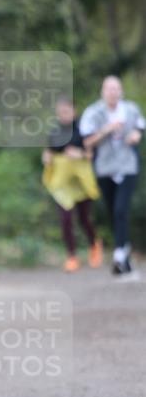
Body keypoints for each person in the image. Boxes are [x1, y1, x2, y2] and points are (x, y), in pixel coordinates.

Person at [79, 76, 145, 274]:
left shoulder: (131, 110)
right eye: (109, 89)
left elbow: (140, 127)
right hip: (105, 168)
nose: (113, 92)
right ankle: (124, 251)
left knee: (120, 210)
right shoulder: (93, 113)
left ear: (121, 91)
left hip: (127, 166)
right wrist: (107, 130)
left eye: (116, 89)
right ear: (103, 91)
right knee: (112, 211)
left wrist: (136, 135)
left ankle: (118, 254)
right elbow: (87, 142)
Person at [41, 97, 102, 272]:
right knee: (66, 219)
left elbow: (92, 155)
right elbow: (48, 152)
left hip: (81, 181)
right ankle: (72, 256)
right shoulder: (54, 132)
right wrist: (46, 158)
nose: (63, 115)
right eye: (60, 112)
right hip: (63, 182)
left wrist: (80, 154)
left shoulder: (84, 130)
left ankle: (94, 245)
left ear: (74, 111)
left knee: (84, 219)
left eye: (66, 111)